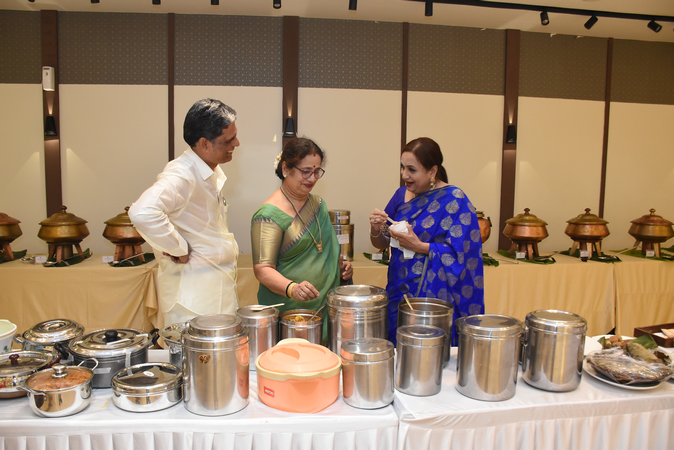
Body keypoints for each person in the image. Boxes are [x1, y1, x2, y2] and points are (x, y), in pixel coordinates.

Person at [129, 98, 241, 327]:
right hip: (193, 301)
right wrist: (177, 247)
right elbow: (142, 212)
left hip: (211, 292)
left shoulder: (207, 171)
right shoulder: (183, 173)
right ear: (204, 144)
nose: (236, 143)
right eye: (229, 140)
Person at [369, 137, 484, 345]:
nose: (404, 175)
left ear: (432, 171)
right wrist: (376, 229)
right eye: (402, 167)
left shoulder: (454, 199)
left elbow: (464, 254)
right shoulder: (401, 195)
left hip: (433, 298)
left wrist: (420, 247)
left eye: (412, 169)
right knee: (398, 345)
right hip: (399, 287)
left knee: (427, 351)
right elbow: (382, 243)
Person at [251, 138, 353, 342]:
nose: (312, 178)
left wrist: (341, 268)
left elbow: (325, 251)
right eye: (306, 171)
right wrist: (292, 288)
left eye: (317, 172)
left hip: (323, 307)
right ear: (286, 168)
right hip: (288, 312)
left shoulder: (318, 205)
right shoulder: (268, 215)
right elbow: (263, 270)